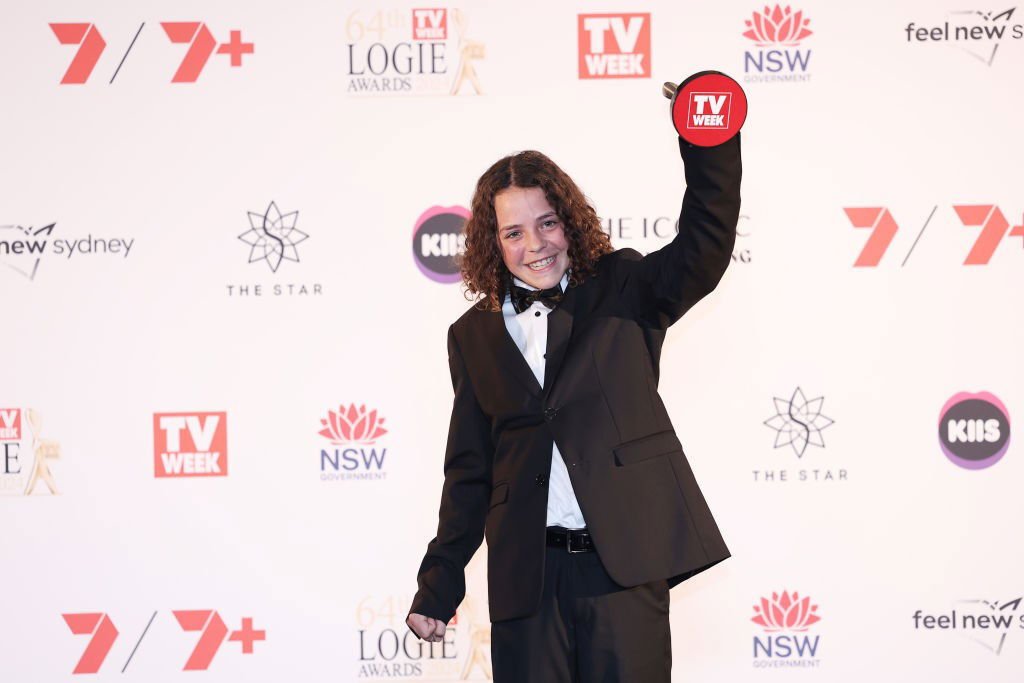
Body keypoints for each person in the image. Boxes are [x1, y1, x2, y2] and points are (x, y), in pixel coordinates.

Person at [407, 132, 742, 681]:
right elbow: (469, 472)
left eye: (547, 223)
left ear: (569, 220)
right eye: (513, 232)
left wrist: (710, 144)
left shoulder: (621, 287)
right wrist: (439, 581)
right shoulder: (471, 336)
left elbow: (702, 249)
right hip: (526, 581)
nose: (535, 244)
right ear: (493, 243)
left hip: (623, 569)